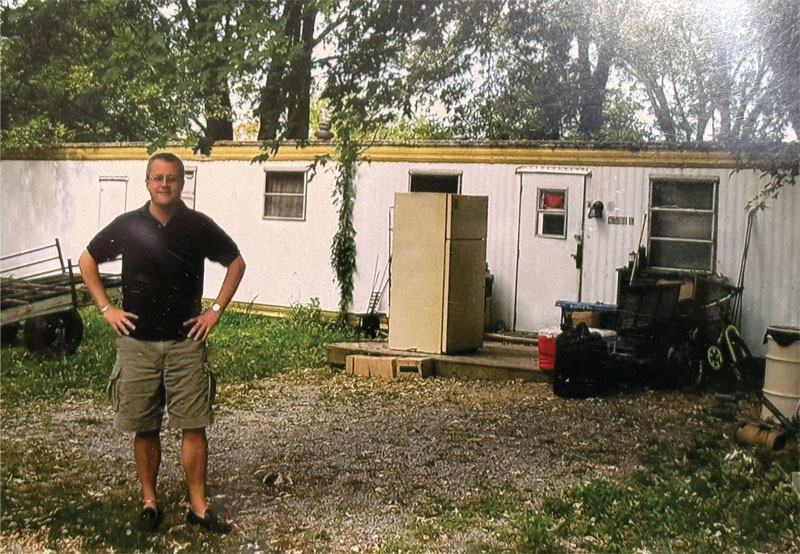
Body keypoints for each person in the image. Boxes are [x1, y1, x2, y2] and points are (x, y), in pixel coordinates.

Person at [79, 152, 246, 533]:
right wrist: (106, 308)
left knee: (194, 425)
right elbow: (87, 260)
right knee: (145, 425)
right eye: (157, 178)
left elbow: (236, 263)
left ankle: (198, 507)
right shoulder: (128, 224)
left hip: (185, 342)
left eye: (171, 178)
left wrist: (215, 310)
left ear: (182, 183)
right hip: (137, 343)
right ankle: (149, 503)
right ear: (147, 182)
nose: (164, 184)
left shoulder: (198, 226)